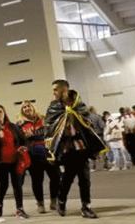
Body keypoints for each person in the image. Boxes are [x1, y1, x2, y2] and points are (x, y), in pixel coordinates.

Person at [44, 79, 103, 219]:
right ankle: (62, 200)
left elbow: (87, 121)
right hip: (66, 148)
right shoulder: (53, 107)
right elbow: (49, 126)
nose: (53, 92)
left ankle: (86, 207)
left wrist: (75, 115)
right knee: (67, 178)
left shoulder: (78, 104)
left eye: (55, 89)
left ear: (64, 90)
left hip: (81, 147)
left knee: (85, 179)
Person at [0, 105, 28, 220]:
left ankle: (20, 209)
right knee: (3, 185)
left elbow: (23, 139)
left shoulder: (12, 126)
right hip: (0, 162)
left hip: (15, 160)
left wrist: (22, 147)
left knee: (17, 185)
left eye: (0, 111)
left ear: (4, 113)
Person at [17, 101, 59, 213]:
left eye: (28, 106)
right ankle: (40, 203)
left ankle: (54, 201)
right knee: (37, 180)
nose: (26, 108)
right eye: (24, 107)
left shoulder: (44, 119)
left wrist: (33, 135)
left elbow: (50, 132)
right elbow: (20, 140)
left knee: (55, 177)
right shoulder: (20, 124)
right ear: (22, 111)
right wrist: (29, 137)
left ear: (32, 107)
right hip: (33, 156)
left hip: (48, 153)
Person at [86, 106, 107, 171]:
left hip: (90, 136)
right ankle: (105, 165)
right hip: (99, 135)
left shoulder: (85, 117)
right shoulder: (97, 116)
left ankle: (93, 167)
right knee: (103, 150)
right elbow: (102, 125)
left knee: (93, 151)